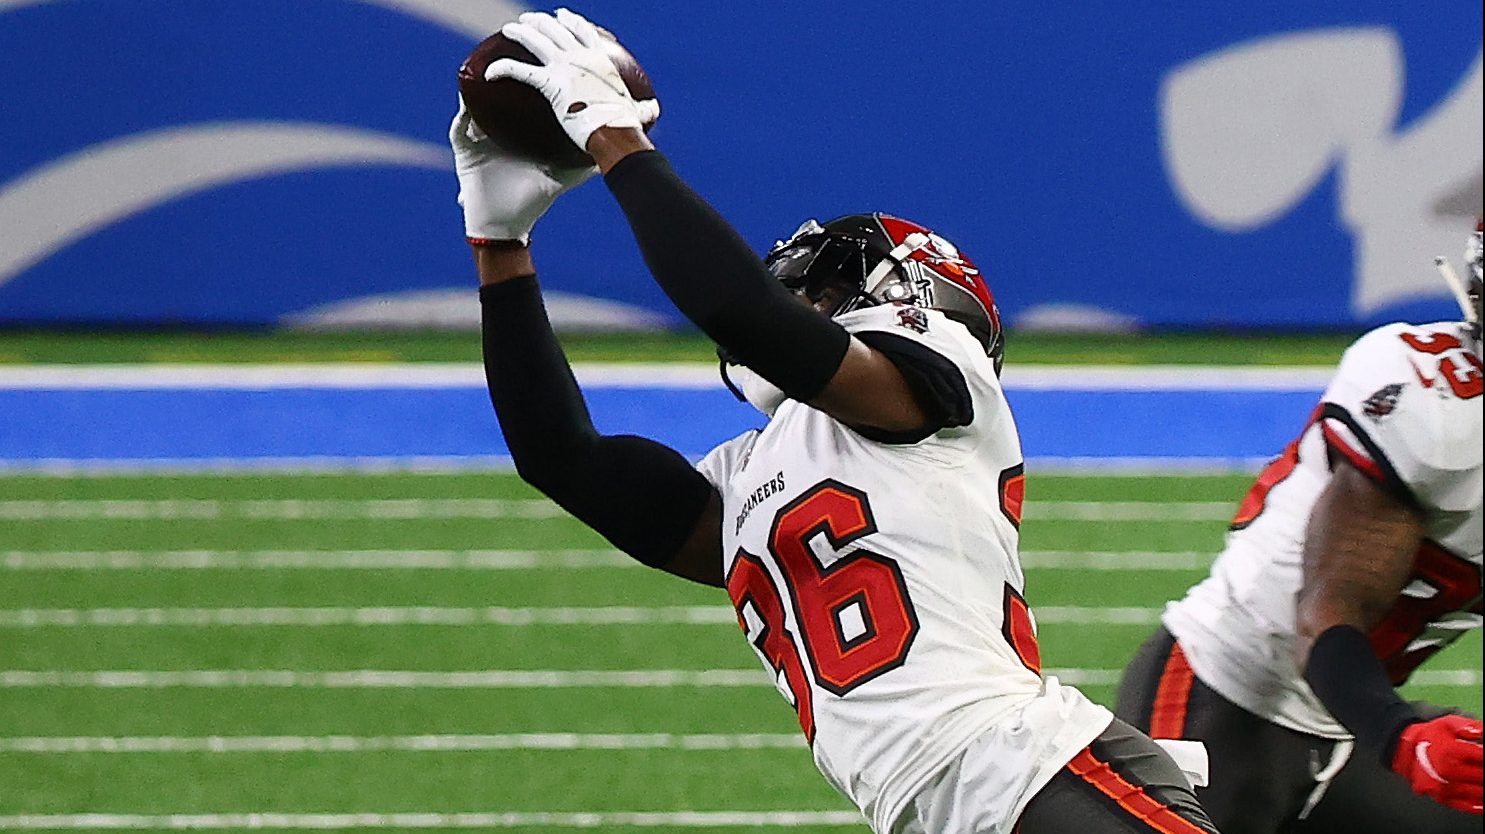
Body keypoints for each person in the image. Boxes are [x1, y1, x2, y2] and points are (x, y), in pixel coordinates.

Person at [455, 9, 1220, 833]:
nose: (797, 299)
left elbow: (740, 311)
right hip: (939, 810)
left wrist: (615, 141)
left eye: (816, 289)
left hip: (1029, 772)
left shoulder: (935, 389)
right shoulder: (752, 479)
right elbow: (559, 457)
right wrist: (500, 243)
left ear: (910, 295)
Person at [1115, 221, 1484, 833]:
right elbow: (1325, 616)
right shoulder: (1434, 411)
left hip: (1346, 726)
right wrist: (1402, 737)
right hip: (1228, 696)